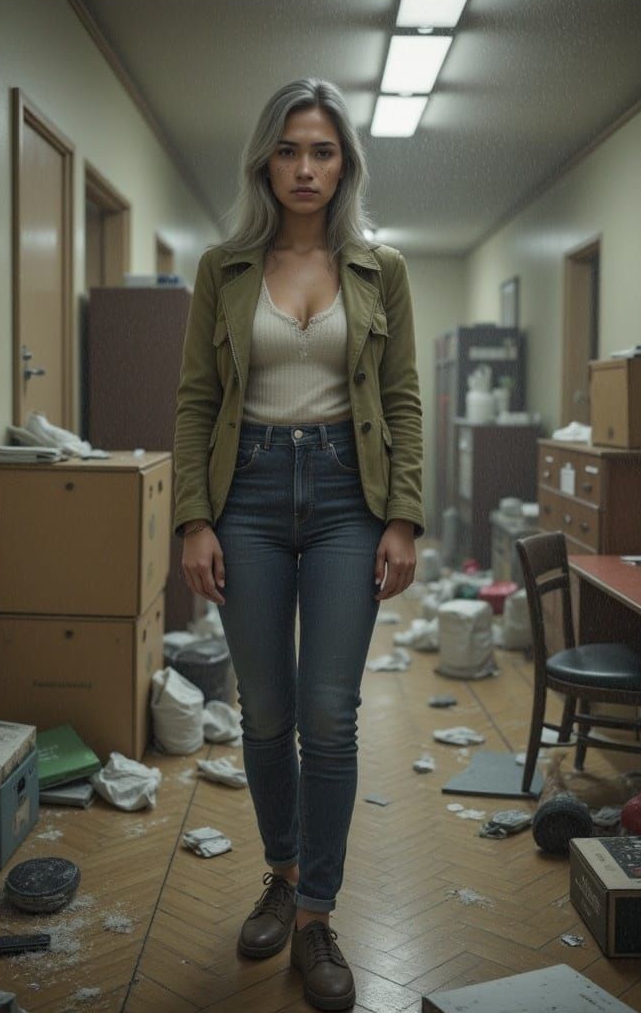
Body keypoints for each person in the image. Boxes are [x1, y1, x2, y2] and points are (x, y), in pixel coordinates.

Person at [173, 77, 424, 1012]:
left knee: (330, 713)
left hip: (347, 500)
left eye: (321, 151)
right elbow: (198, 398)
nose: (305, 168)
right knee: (266, 711)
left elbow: (401, 398)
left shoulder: (380, 268)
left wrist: (402, 515)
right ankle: (279, 873)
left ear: (344, 163)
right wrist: (195, 517)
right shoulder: (223, 269)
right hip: (248, 494)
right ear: (265, 162)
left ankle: (317, 914)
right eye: (288, 150)